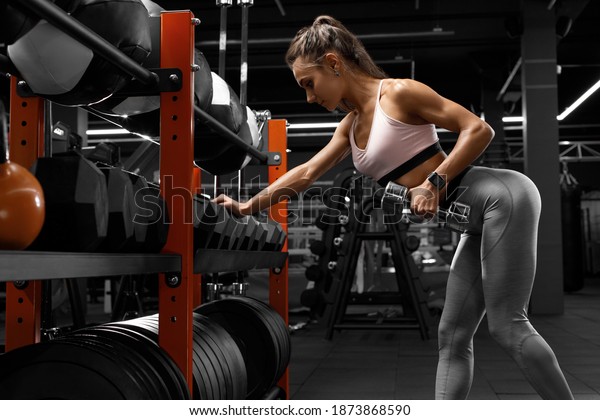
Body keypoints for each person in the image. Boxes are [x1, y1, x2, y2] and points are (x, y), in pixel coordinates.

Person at [213, 15, 574, 400]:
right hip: (475, 222)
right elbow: (305, 172)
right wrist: (247, 206)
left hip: (504, 197)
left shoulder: (398, 93)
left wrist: (433, 184)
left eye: (309, 83)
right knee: (451, 336)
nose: (309, 97)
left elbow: (478, 129)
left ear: (334, 64)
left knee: (508, 327)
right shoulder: (349, 127)